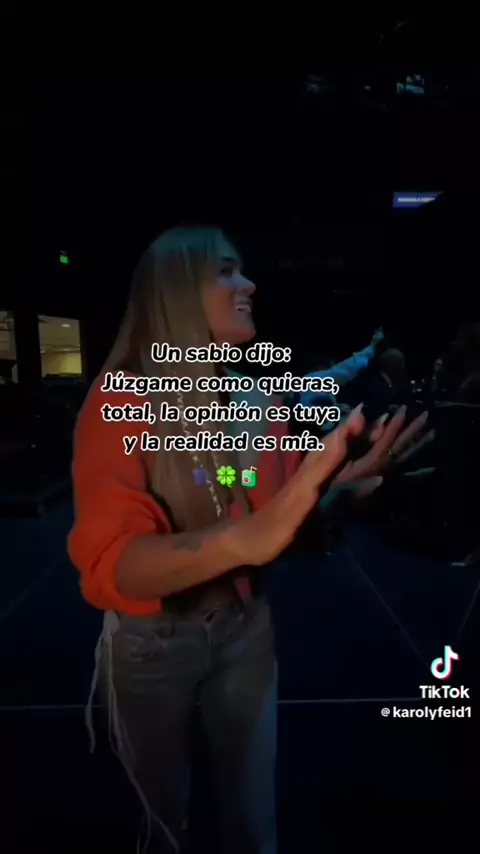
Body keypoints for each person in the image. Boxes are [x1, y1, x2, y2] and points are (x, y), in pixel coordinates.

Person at [68, 226, 424, 854]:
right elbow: (114, 560)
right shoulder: (121, 399)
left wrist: (333, 498)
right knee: (164, 827)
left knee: (255, 826)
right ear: (177, 289)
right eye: (227, 271)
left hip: (245, 629)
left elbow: (273, 527)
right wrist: (244, 538)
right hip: (154, 646)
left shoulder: (251, 399)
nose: (249, 284)